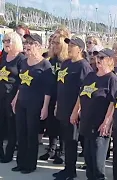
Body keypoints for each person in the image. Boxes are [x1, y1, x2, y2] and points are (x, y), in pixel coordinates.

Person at [71, 48, 117, 180]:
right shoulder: (91, 76)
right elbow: (81, 95)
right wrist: (75, 112)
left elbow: (113, 103)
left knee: (98, 163)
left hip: (100, 125)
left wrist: (107, 122)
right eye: (97, 58)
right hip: (87, 122)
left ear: (109, 60)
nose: (98, 60)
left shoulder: (112, 79)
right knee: (89, 159)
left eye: (102, 58)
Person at [11, 33, 54, 174]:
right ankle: (21, 162)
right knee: (21, 133)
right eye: (26, 43)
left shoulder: (45, 65)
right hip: (21, 101)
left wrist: (45, 107)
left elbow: (48, 89)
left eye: (30, 43)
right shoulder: (23, 62)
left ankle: (30, 164)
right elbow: (21, 82)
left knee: (31, 134)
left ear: (38, 46)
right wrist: (15, 98)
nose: (27, 46)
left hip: (35, 104)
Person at [53, 37, 92, 180]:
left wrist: (76, 111)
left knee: (72, 141)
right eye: (69, 45)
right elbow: (60, 85)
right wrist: (57, 104)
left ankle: (71, 171)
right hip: (62, 107)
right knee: (66, 139)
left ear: (80, 49)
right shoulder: (66, 63)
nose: (69, 48)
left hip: (73, 110)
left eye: (73, 46)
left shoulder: (84, 67)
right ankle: (67, 168)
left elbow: (83, 92)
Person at [38, 30, 70, 165]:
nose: (54, 45)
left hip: (62, 97)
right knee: (51, 124)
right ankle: (51, 148)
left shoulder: (67, 62)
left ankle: (61, 151)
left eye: (57, 43)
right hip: (50, 95)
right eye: (53, 43)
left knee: (62, 125)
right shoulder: (50, 60)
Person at [0, 32, 26, 163]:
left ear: (15, 42)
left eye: (8, 40)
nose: (5, 43)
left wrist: (17, 98)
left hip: (12, 96)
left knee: (11, 126)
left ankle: (9, 154)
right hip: (1, 94)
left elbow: (23, 81)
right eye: (4, 40)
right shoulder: (3, 55)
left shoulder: (21, 59)